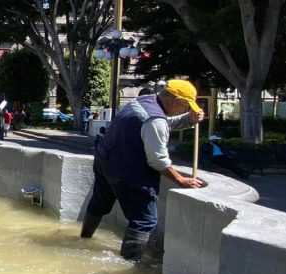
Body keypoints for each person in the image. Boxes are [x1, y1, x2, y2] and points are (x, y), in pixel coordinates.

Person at [80, 79, 205, 261]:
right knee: (145, 220)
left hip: (105, 160)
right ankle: (128, 266)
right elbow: (158, 161)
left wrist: (188, 120)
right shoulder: (155, 120)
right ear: (177, 101)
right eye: (185, 107)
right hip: (127, 170)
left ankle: (83, 239)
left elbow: (158, 124)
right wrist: (181, 180)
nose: (185, 110)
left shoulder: (142, 102)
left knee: (99, 203)